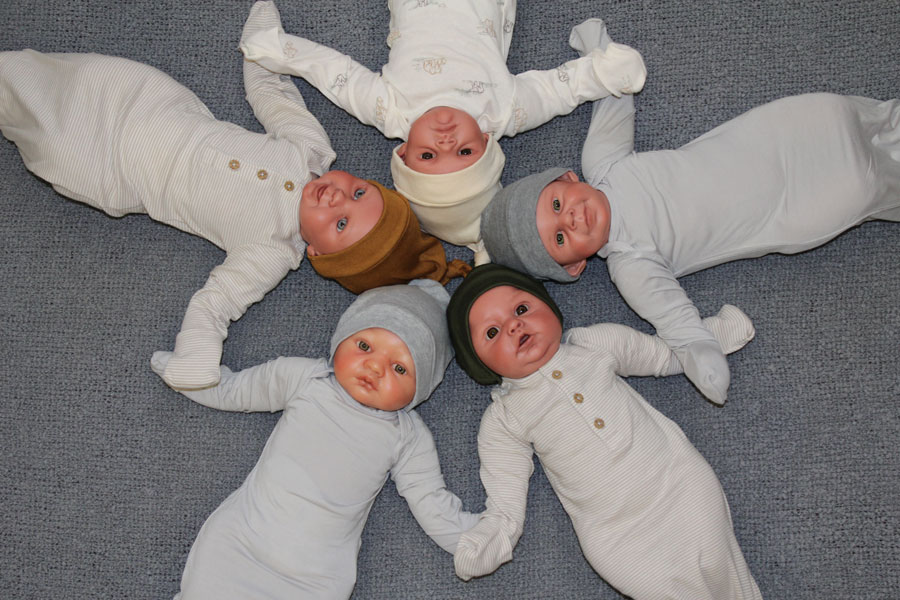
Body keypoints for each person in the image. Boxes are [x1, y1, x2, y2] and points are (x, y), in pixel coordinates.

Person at [0, 2, 468, 391]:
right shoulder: (312, 151)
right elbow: (271, 97)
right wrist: (262, 46)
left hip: (114, 170)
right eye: (358, 191)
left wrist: (196, 357)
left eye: (341, 222)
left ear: (319, 254)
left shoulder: (271, 251)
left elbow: (217, 302)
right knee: (48, 74)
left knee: (48, 139)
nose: (336, 198)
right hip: (149, 102)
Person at [478, 87, 900, 403]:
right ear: (575, 266)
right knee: (859, 184)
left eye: (557, 204)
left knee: (835, 114)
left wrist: (600, 57)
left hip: (766, 141)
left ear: (568, 178)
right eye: (559, 237)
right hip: (782, 211)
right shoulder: (631, 264)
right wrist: (702, 356)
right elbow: (675, 320)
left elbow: (615, 95)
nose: (570, 219)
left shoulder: (604, 164)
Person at [445, 264, 762, 599]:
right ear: (479, 363)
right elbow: (506, 500)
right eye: (492, 333)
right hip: (615, 533)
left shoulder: (592, 344)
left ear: (550, 308)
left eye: (521, 309)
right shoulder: (504, 418)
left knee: (719, 563)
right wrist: (487, 542)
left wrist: (717, 336)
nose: (513, 325)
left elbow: (663, 354)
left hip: (675, 481)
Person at [240, 2, 646, 262]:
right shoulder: (502, 111)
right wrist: (604, 73)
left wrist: (282, 51)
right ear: (486, 143)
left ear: (403, 153)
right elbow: (558, 90)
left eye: (428, 156)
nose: (446, 141)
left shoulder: (391, 110)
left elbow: (335, 73)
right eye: (465, 153)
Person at [150, 279, 479, 599]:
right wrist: (186, 374)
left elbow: (431, 504)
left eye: (400, 368)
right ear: (340, 340)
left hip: (315, 574)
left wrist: (482, 537)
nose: (375, 367)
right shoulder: (306, 378)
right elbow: (237, 390)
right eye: (364, 346)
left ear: (419, 391)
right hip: (245, 540)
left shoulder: (408, 436)